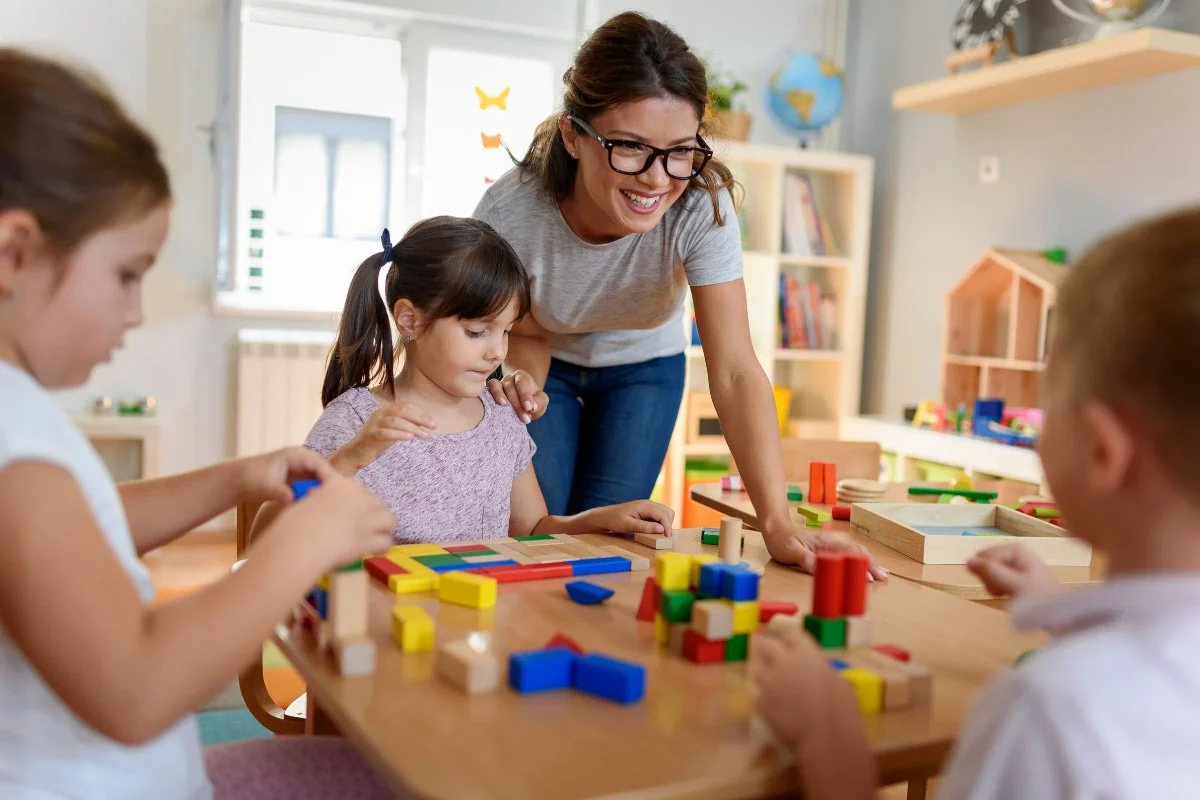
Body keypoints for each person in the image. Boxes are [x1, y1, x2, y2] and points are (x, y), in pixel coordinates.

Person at [0, 48, 397, 798]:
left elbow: (75, 529)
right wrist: (303, 547)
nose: (136, 311)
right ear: (15, 252)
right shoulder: (17, 452)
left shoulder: (15, 420)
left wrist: (236, 478)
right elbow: (137, 688)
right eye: (126, 274)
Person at [752, 206, 1200, 798]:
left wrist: (827, 732)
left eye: (1046, 401)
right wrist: (1056, 610)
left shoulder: (1047, 713)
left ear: (1100, 449)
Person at [475, 11, 883, 577]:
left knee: (609, 543)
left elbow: (737, 370)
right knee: (544, 533)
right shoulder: (512, 214)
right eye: (630, 147)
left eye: (680, 151)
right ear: (573, 134)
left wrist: (778, 522)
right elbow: (526, 330)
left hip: (643, 364)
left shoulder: (699, 208)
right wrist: (519, 390)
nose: (656, 178)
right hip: (545, 356)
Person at [252, 216, 675, 544]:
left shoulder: (499, 419)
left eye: (506, 330)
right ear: (409, 319)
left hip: (482, 629)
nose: (497, 352)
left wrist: (600, 520)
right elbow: (263, 539)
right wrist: (353, 457)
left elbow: (531, 531)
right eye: (477, 332)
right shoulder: (356, 424)